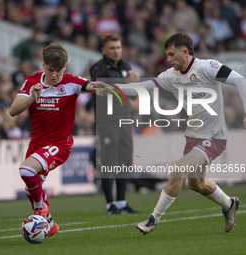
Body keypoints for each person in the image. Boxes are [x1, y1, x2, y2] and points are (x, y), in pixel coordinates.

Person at [97, 32, 245, 234]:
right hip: (193, 137)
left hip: (214, 137)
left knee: (177, 171)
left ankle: (153, 219)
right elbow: (142, 87)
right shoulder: (170, 76)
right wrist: (113, 88)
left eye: (171, 54)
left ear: (185, 52)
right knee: (196, 184)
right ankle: (229, 203)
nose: (168, 59)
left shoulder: (208, 67)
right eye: (167, 55)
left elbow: (240, 80)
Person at [9, 43, 98, 238]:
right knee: (32, 186)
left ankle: (41, 212)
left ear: (65, 67)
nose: (55, 75)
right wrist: (32, 97)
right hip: (37, 144)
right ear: (43, 65)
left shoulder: (71, 82)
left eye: (58, 71)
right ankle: (50, 224)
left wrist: (119, 89)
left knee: (26, 170)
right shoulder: (31, 82)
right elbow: (13, 110)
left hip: (60, 145)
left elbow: (92, 86)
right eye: (50, 70)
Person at [90, 34, 139, 215]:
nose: (116, 51)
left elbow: (133, 95)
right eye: (112, 48)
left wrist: (135, 84)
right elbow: (102, 90)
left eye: (118, 47)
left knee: (126, 161)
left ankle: (121, 202)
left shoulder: (126, 67)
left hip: (125, 119)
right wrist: (126, 83)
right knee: (109, 161)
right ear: (104, 50)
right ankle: (110, 204)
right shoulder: (98, 68)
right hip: (108, 121)